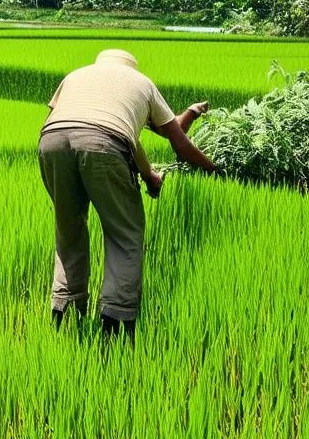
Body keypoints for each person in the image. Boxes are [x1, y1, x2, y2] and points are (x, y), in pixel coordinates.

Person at [38, 49, 222, 339]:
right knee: (125, 235)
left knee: (68, 230)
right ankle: (117, 324)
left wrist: (149, 175)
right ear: (132, 68)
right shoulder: (142, 84)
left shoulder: (75, 77)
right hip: (106, 144)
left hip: (51, 143)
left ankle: (64, 314)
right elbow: (178, 143)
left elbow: (116, 134)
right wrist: (215, 171)